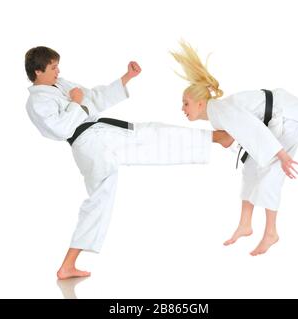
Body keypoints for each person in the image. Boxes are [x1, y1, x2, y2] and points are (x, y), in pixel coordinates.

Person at [24, 46, 233, 279]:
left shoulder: (59, 85)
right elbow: (61, 128)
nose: (58, 70)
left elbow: (92, 98)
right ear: (38, 71)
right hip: (93, 142)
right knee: (151, 137)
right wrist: (76, 104)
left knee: (99, 201)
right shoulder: (37, 102)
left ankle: (68, 265)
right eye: (53, 67)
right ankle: (217, 138)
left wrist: (126, 78)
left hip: (95, 144)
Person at [171, 41, 298, 256]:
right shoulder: (215, 114)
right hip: (273, 120)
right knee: (250, 167)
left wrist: (283, 156)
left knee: (270, 173)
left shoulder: (218, 111)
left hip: (286, 116)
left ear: (200, 103)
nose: (182, 108)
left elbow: (252, 129)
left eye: (186, 103)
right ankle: (245, 225)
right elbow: (232, 140)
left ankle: (271, 233)